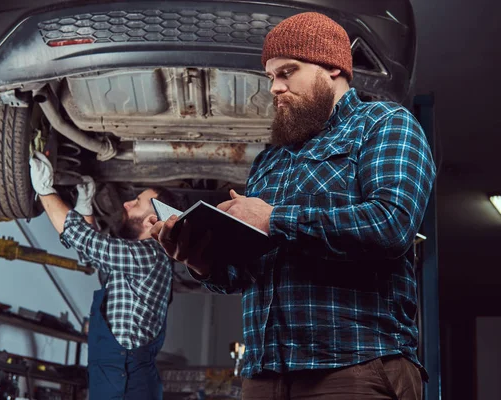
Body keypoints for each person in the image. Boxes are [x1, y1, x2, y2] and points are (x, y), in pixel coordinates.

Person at [151, 11, 436, 400]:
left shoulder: (383, 124)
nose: (275, 88)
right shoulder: (270, 161)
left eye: (288, 72)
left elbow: (391, 225)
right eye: (270, 77)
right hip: (264, 376)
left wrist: (273, 218)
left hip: (355, 367)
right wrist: (200, 260)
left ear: (333, 68)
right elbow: (246, 273)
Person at [29, 151, 184, 400]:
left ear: (152, 220)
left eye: (137, 202)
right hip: (118, 382)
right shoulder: (141, 258)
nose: (126, 203)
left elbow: (85, 241)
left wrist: (45, 191)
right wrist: (85, 206)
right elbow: (92, 255)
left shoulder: (149, 255)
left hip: (125, 386)